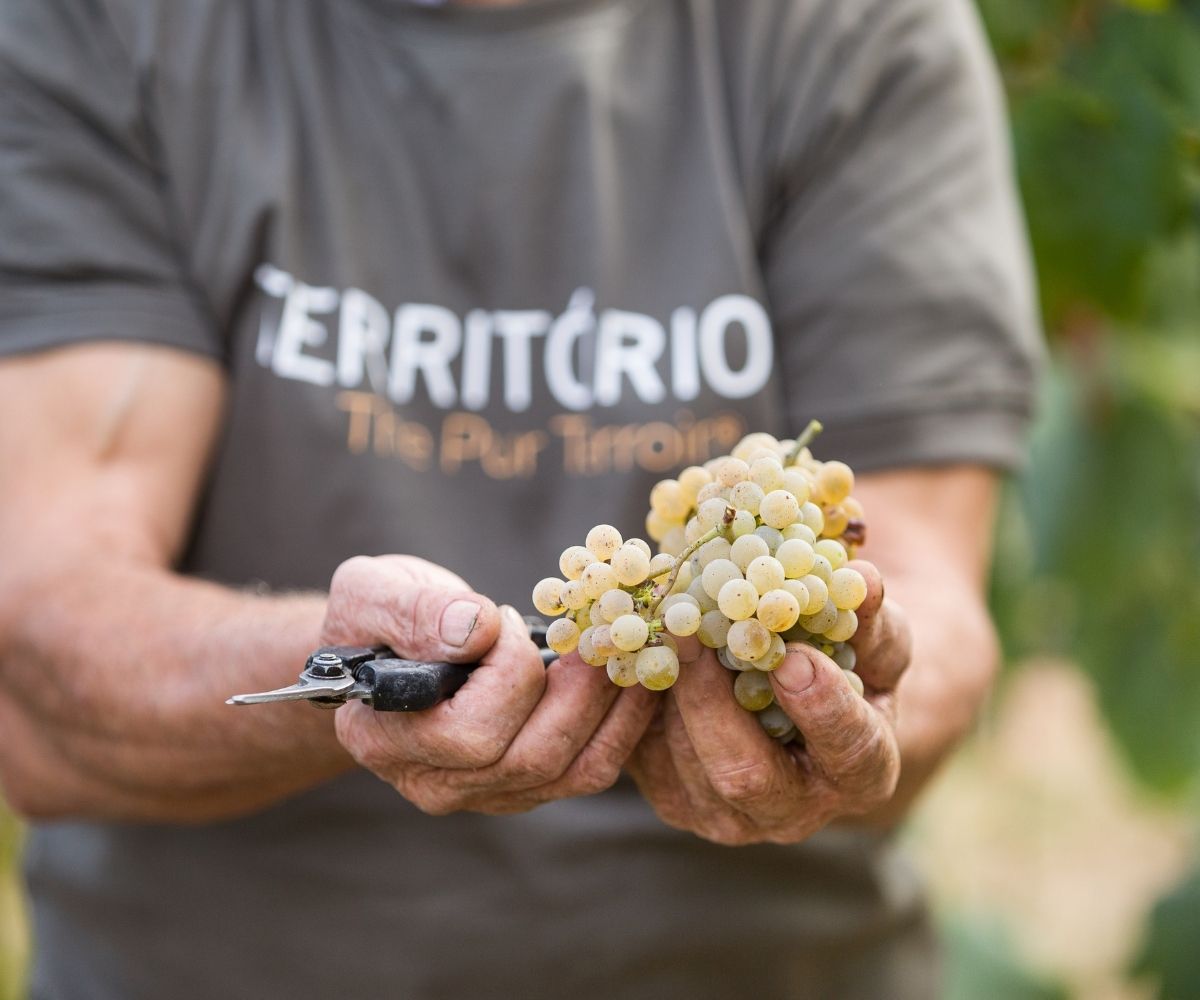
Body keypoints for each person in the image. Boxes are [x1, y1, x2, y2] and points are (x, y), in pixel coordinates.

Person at [0, 0, 1041, 997]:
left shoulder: (852, 25)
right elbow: (42, 639)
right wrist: (346, 676)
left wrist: (848, 698)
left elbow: (931, 593)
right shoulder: (115, 17)